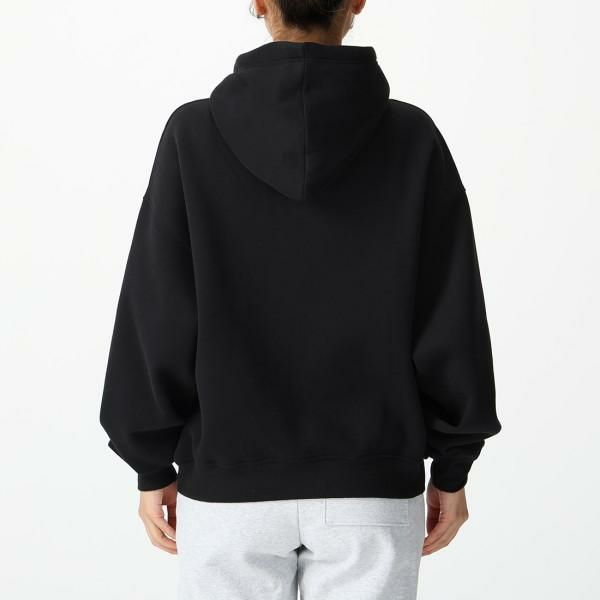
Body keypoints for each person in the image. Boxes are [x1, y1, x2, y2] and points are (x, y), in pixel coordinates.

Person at [99, 1, 501, 598]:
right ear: (356, 3)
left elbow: (157, 309)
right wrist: (452, 462)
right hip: (371, 486)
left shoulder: (193, 135)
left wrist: (149, 460)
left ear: (260, 3)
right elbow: (450, 314)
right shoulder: (412, 138)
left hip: (228, 488)